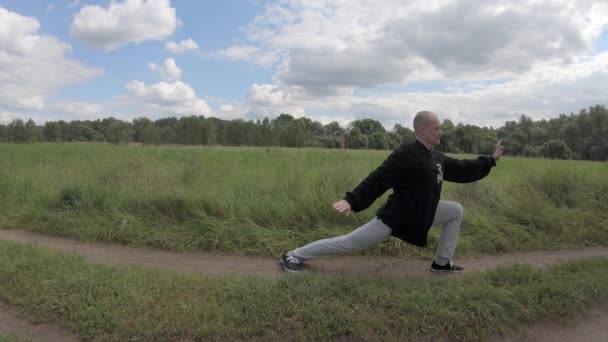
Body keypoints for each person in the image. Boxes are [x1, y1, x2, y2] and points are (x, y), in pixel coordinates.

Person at [280, 111, 505, 273]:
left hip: (421, 213)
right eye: (437, 128)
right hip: (397, 217)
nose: (441, 132)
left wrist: (490, 161)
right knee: (349, 242)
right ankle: (293, 255)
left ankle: (442, 263)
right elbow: (379, 178)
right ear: (422, 129)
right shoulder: (405, 153)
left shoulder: (437, 157)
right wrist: (352, 200)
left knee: (455, 210)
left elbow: (463, 169)